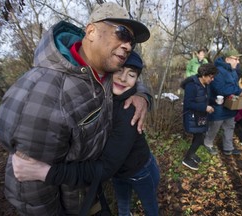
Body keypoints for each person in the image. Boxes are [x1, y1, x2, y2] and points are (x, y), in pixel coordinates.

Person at [0, 2, 151, 216]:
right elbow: (32, 193)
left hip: (91, 195)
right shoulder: (44, 97)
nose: (128, 45)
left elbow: (130, 77)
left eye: (131, 41)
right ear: (91, 31)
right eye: (122, 33)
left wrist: (142, 96)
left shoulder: (103, 70)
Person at [12, 51, 160, 216]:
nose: (123, 78)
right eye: (119, 71)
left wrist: (45, 172)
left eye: (131, 75)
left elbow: (105, 167)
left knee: (150, 206)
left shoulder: (128, 111)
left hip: (140, 170)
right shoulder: (100, 95)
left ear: (136, 80)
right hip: (119, 173)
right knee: (123, 205)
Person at [204, 49, 242, 156]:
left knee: (230, 125)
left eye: (238, 59)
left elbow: (234, 85)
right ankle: (207, 143)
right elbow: (220, 89)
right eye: (236, 59)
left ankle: (228, 148)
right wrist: (239, 91)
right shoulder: (217, 71)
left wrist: (240, 92)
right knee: (215, 125)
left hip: (231, 103)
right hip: (218, 104)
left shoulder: (233, 71)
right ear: (227, 59)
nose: (238, 62)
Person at [181, 63, 218, 170]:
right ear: (204, 75)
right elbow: (188, 104)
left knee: (199, 136)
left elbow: (203, 98)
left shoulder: (205, 85)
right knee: (199, 138)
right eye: (211, 77)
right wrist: (205, 108)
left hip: (200, 117)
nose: (212, 79)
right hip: (192, 117)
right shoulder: (192, 85)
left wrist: (213, 101)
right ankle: (187, 159)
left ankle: (191, 154)